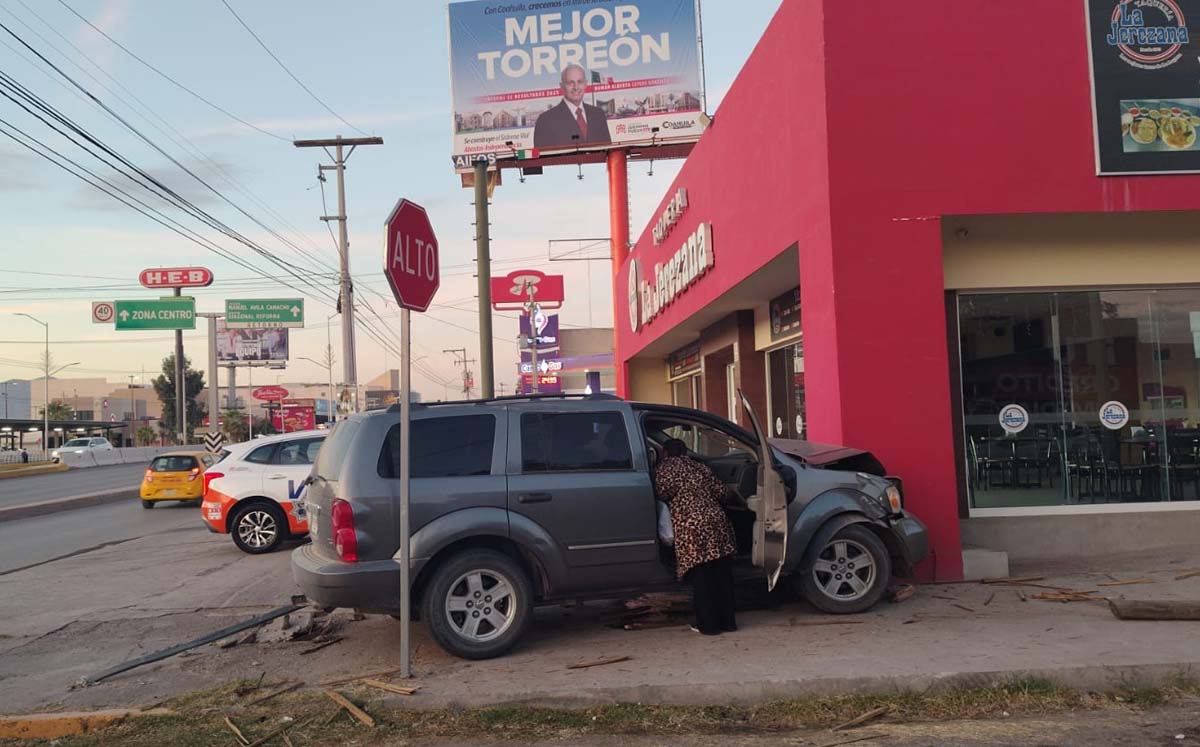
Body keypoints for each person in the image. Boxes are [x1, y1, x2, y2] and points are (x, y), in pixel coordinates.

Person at [652, 438, 738, 635]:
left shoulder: (664, 470)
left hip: (692, 528)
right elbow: (723, 492)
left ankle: (708, 626)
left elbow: (660, 494)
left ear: (665, 452)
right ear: (685, 451)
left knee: (702, 578)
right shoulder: (700, 467)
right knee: (722, 574)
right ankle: (729, 623)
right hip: (717, 522)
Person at [533, 64, 613, 149]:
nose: (576, 87)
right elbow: (543, 159)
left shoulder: (598, 114)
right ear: (562, 86)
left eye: (580, 82)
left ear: (585, 84)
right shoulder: (545, 120)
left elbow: (608, 152)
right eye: (570, 83)